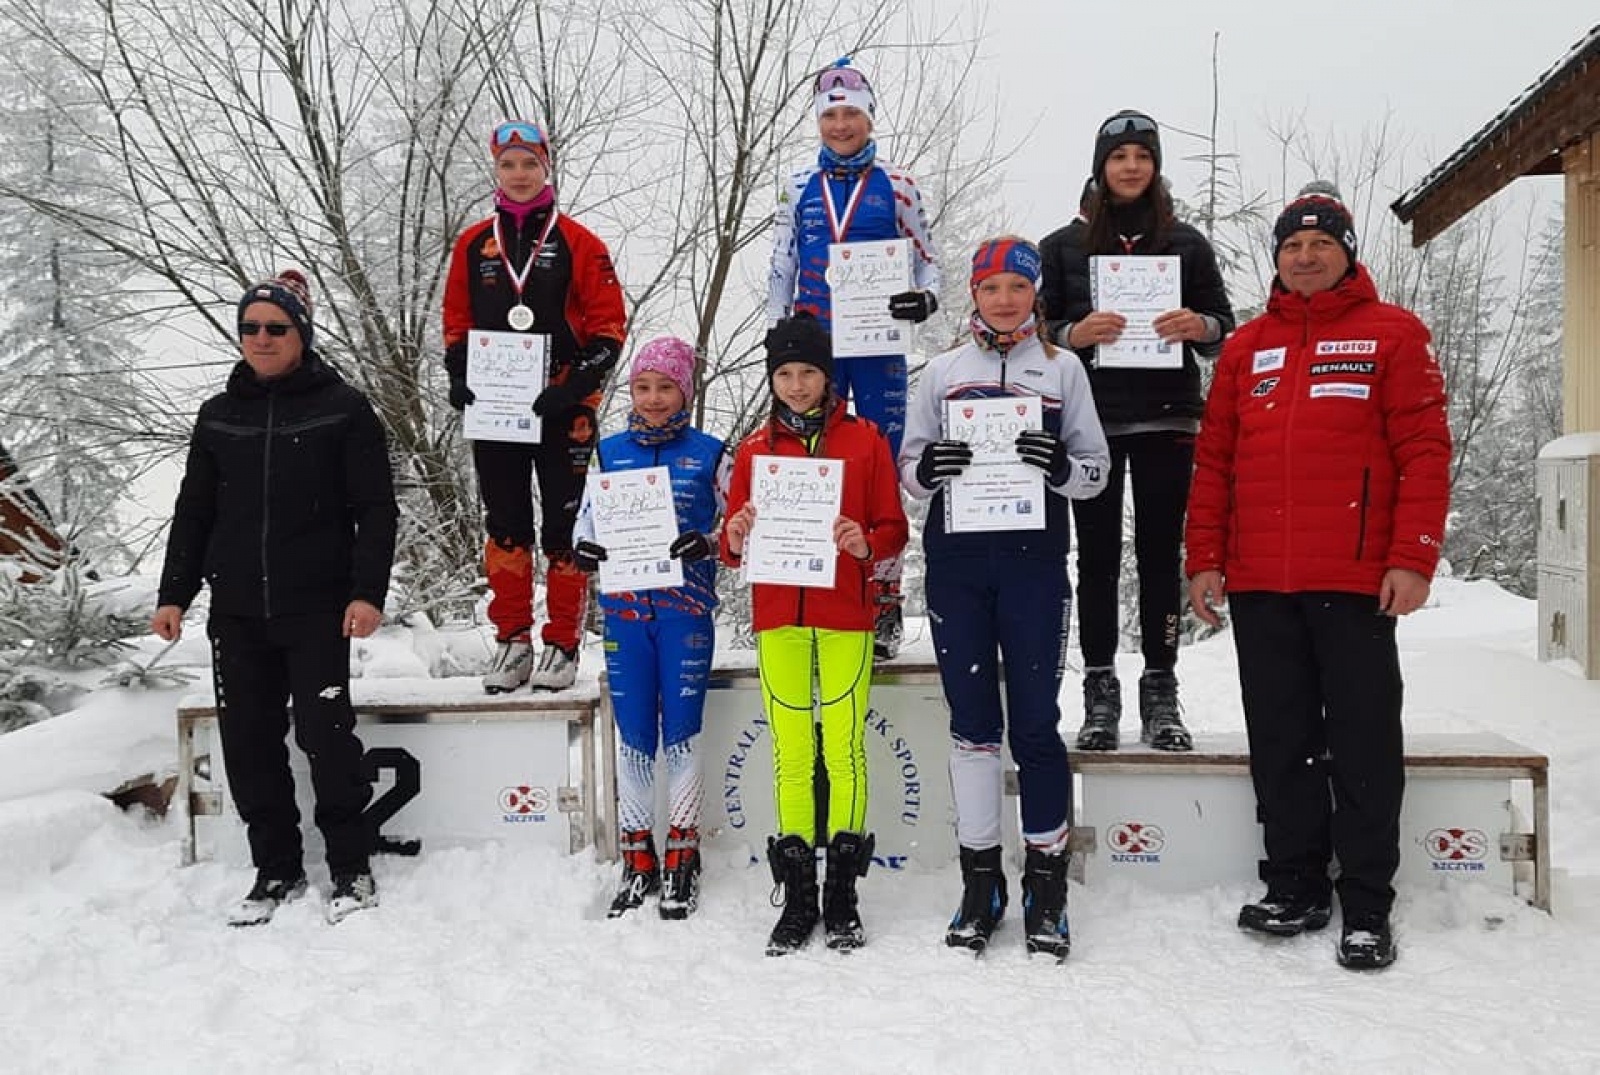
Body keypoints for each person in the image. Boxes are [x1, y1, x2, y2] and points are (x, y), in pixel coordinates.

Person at [1185, 182, 1451, 971]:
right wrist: (1204, 557)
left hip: (1357, 578)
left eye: (1320, 245)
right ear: (1277, 258)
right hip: (1264, 579)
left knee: (1364, 740)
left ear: (1347, 254)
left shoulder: (1393, 336)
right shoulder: (1245, 347)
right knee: (1283, 739)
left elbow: (1424, 453)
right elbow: (1215, 462)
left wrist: (1413, 555)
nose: (1305, 257)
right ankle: (1295, 882)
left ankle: (1366, 902)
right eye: (1292, 246)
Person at [152, 270, 399, 927]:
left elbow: (375, 509)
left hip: (317, 607)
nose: (261, 338)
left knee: (325, 736)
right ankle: (276, 869)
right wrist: (174, 592)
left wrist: (366, 592)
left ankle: (349, 866)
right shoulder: (217, 414)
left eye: (276, 328)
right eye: (251, 327)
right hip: (235, 610)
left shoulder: (342, 407)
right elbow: (194, 510)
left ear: (301, 334)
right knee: (249, 742)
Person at [900, 237, 1110, 959]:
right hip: (958, 564)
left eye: (1016, 287)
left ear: (1034, 295)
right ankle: (980, 879)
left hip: (1033, 564)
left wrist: (1061, 470)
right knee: (972, 723)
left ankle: (1044, 883)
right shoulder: (941, 372)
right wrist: (929, 466)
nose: (1003, 299)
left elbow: (1096, 471)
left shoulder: (1063, 370)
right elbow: (909, 472)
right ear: (974, 295)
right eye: (990, 287)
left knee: (1036, 724)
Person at [1040, 110, 1236, 753]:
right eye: (1118, 156)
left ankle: (1161, 687)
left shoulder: (1185, 243)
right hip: (1089, 421)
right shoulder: (1062, 246)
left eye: (1141, 157)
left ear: (1154, 168)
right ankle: (1100, 689)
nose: (1130, 167)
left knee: (1159, 557)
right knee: (1093, 560)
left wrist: (1197, 327)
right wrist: (1074, 334)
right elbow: (1032, 333)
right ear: (1100, 166)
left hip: (1166, 416)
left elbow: (1221, 329)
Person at [720, 314, 909, 955]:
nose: (796, 386)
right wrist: (738, 534)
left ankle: (843, 894)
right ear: (771, 379)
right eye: (784, 374)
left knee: (845, 750)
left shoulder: (865, 441)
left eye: (807, 373)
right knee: (792, 752)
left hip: (843, 615)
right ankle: (799, 894)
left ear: (828, 376)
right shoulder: (754, 450)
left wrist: (867, 541)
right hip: (778, 615)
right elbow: (729, 543)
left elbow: (893, 528)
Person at [443, 119, 627, 693]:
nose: (519, 175)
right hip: (496, 408)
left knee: (565, 526)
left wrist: (571, 390)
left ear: (546, 167)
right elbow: (457, 321)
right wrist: (459, 372)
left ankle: (563, 644)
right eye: (508, 165)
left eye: (530, 163)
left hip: (561, 405)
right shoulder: (474, 244)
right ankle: (513, 639)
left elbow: (609, 329)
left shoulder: (579, 242)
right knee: (505, 525)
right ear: (495, 170)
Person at [767, 58, 940, 661]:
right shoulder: (795, 185)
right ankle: (824, 590)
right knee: (814, 462)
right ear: (818, 121)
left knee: (879, 464)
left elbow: (928, 260)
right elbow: (782, 261)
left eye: (852, 114)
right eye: (830, 115)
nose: (841, 126)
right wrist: (775, 328)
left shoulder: (898, 184)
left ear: (869, 118)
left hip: (879, 346)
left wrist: (925, 297)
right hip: (815, 348)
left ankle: (884, 592)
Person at [570, 337, 728, 920]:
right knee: (635, 737)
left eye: (666, 387)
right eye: (643, 387)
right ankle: (639, 858)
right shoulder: (609, 453)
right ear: (630, 392)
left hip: (685, 613)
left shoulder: (711, 452)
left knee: (681, 734)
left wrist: (707, 542)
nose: (654, 398)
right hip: (626, 616)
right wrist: (584, 549)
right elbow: (582, 522)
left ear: (685, 390)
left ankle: (683, 855)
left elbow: (741, 526)